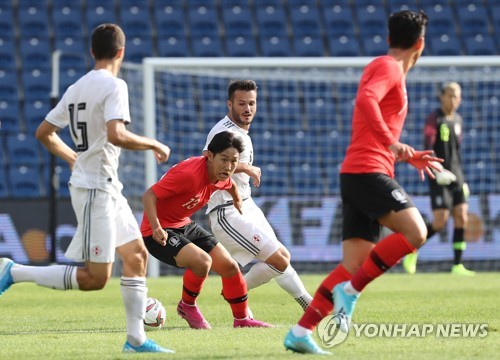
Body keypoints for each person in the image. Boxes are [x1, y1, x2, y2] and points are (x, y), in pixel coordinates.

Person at [0, 24, 174, 354]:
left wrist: (71, 157)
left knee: (137, 256)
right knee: (96, 279)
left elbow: (44, 132)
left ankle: (136, 340)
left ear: (93, 52)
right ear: (121, 52)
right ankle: (15, 270)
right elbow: (116, 135)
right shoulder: (114, 85)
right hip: (94, 188)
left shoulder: (77, 87)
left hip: (107, 186)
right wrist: (154, 143)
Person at [284, 10, 442, 354]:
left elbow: (372, 107)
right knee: (416, 232)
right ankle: (351, 292)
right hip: (367, 171)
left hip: (359, 171)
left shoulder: (389, 68)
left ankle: (300, 331)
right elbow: (366, 99)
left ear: (389, 38)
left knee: (353, 264)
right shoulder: (388, 67)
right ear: (421, 43)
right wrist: (391, 142)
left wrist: (406, 154)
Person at [141, 131, 273, 330]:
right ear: (209, 156)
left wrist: (237, 199)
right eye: (224, 159)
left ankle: (242, 319)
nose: (229, 167)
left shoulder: (221, 174)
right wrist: (157, 227)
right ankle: (187, 306)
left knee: (229, 266)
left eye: (234, 161)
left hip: (183, 224)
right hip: (156, 231)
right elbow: (149, 195)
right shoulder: (189, 175)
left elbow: (230, 185)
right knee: (202, 262)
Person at [202, 79, 312, 312]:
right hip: (226, 210)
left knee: (281, 258)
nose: (247, 109)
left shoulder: (240, 133)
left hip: (246, 204)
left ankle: (308, 304)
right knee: (279, 259)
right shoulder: (224, 130)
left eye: (252, 103)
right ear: (229, 104)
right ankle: (236, 291)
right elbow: (206, 161)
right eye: (241, 103)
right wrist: (246, 167)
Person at [402, 82, 475, 276]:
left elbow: (457, 153)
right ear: (441, 96)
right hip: (439, 175)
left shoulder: (458, 120)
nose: (454, 100)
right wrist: (438, 170)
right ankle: (412, 251)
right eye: (450, 95)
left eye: (457, 96)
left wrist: (463, 180)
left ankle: (457, 265)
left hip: (457, 176)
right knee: (440, 221)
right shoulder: (435, 118)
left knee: (462, 217)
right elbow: (428, 142)